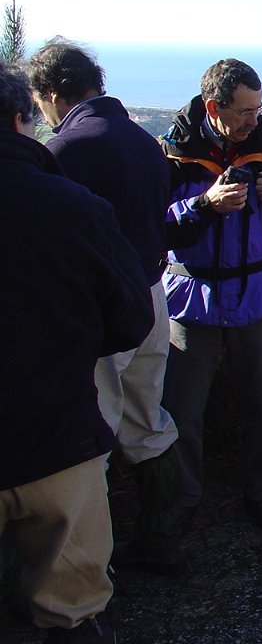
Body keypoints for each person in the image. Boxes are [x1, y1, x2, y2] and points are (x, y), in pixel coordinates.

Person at [0, 61, 153, 643]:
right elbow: (130, 317)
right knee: (75, 611)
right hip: (58, 436)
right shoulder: (73, 206)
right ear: (19, 118)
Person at [27, 38, 184, 574]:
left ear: (53, 93)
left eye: (41, 102)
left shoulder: (67, 150)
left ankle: (94, 564)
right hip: (151, 297)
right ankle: (164, 541)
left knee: (92, 434)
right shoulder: (143, 141)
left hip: (100, 313)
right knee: (147, 420)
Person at [160, 58, 262, 532]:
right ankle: (182, 502)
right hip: (192, 295)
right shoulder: (174, 153)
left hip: (252, 296)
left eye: (257, 109)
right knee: (182, 412)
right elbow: (156, 224)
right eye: (245, 111)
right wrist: (204, 205)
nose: (254, 119)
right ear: (214, 107)